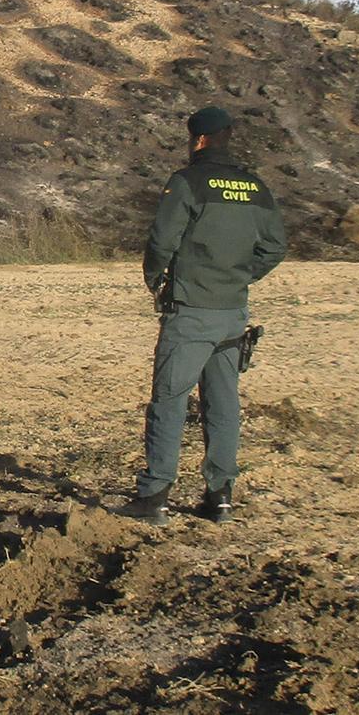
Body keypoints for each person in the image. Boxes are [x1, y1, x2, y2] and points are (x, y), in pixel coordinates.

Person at [119, 106, 286, 525]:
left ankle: (155, 496)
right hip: (233, 312)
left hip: (191, 311)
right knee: (223, 404)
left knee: (169, 401)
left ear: (198, 140)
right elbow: (275, 247)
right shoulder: (254, 186)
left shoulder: (187, 182)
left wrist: (156, 280)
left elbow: (162, 240)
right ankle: (220, 497)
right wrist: (240, 276)